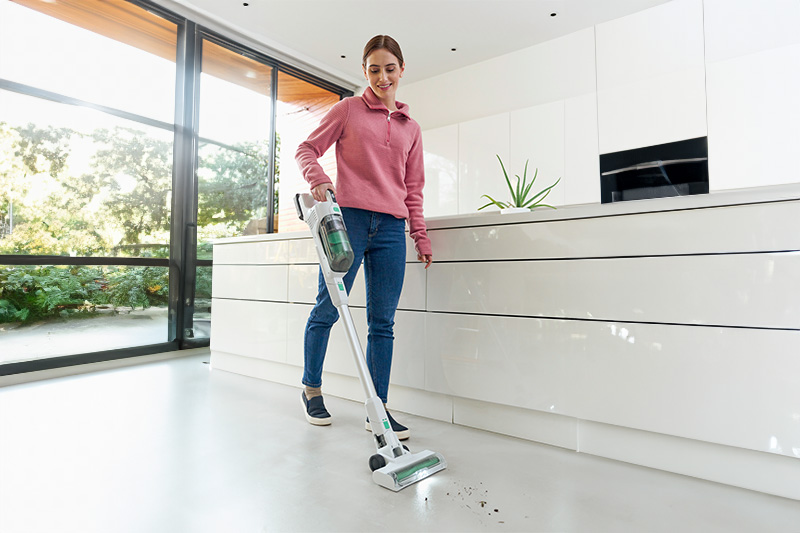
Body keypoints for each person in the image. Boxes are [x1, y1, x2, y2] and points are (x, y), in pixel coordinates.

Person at [295, 35, 431, 440]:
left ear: (401, 70)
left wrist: (419, 235)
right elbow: (306, 149)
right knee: (327, 308)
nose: (382, 77)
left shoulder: (411, 128)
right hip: (348, 222)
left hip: (391, 230)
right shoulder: (348, 109)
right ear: (364, 71)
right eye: (374, 70)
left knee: (382, 323)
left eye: (390, 69)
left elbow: (413, 189)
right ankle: (311, 389)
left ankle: (378, 409)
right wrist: (318, 179)